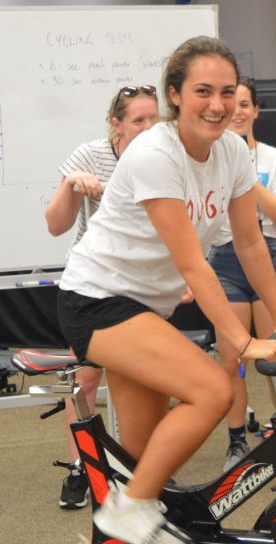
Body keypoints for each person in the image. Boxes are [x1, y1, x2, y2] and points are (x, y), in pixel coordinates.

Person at [56, 36, 276, 544]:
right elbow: (192, 262)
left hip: (145, 308)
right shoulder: (154, 153)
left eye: (227, 92)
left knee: (143, 453)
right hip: (96, 300)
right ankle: (129, 511)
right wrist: (240, 339)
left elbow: (250, 241)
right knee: (213, 390)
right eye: (203, 91)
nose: (217, 104)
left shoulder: (232, 151)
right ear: (175, 95)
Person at [42, 84, 160, 509]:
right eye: (138, 121)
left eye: (154, 119)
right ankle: (83, 468)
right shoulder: (90, 154)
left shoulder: (160, 157)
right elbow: (56, 225)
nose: (148, 128)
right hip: (92, 284)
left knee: (140, 381)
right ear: (116, 124)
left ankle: (134, 472)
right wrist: (73, 185)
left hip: (140, 283)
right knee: (87, 378)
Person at [208, 76, 276, 471]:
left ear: (255, 111)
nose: (238, 111)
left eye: (246, 104)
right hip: (225, 261)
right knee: (232, 359)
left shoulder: (273, 158)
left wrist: (244, 171)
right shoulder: (207, 158)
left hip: (271, 256)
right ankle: (235, 443)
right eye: (234, 104)